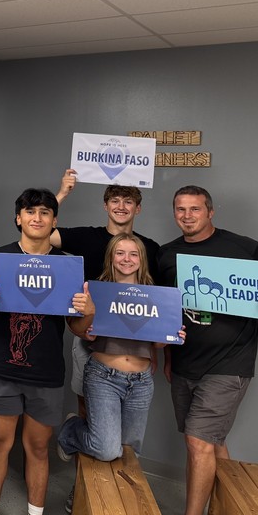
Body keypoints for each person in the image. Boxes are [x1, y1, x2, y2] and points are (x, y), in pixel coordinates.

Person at [157, 186, 258, 515]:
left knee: (198, 441)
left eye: (195, 209)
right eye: (180, 209)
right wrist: (168, 358)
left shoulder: (244, 248)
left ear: (210, 212)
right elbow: (165, 311)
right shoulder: (167, 254)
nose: (187, 216)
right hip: (184, 364)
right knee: (209, 444)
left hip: (230, 364)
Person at [0, 188, 94, 515]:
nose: (37, 218)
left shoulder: (67, 264)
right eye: (30, 211)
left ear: (55, 220)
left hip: (46, 371)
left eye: (44, 212)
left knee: (38, 448)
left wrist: (88, 311)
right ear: (18, 218)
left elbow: (78, 328)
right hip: (0, 368)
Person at [57, 234, 180, 464]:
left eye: (133, 254)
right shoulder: (96, 291)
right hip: (103, 375)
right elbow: (78, 329)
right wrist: (87, 330)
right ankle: (71, 430)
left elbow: (158, 344)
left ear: (141, 259)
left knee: (129, 452)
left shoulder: (156, 295)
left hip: (141, 381)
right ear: (111, 258)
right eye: (120, 253)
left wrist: (172, 335)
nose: (127, 259)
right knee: (106, 450)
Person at [51, 172, 161, 425]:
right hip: (88, 332)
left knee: (124, 415)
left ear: (138, 208)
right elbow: (38, 233)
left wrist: (152, 348)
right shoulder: (86, 237)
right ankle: (80, 440)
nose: (121, 206)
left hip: (132, 340)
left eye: (128, 201)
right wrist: (62, 194)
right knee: (86, 405)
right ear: (105, 205)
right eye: (115, 200)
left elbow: (153, 295)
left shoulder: (150, 248)